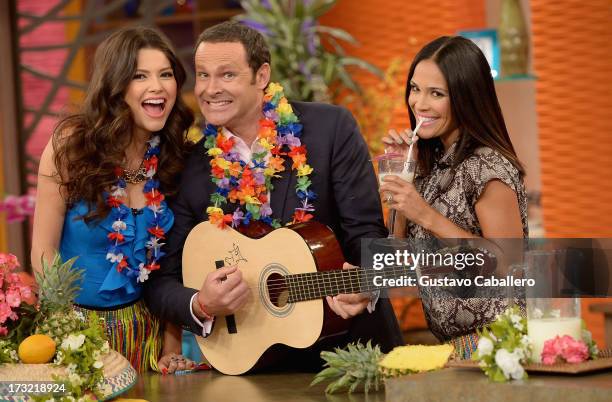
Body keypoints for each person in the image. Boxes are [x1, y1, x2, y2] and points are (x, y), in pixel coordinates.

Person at [144, 21, 403, 371]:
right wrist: (201, 303)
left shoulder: (331, 129)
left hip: (352, 352)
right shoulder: (190, 165)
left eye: (227, 75)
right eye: (203, 75)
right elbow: (162, 282)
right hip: (255, 368)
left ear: (261, 75)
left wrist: (365, 287)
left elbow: (368, 234)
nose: (210, 89)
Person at [31, 26, 195, 373]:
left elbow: (174, 265)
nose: (157, 86)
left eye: (166, 74)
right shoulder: (72, 146)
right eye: (140, 75)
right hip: (73, 335)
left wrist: (171, 346)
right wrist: (68, 337)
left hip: (146, 336)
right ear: (116, 86)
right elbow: (43, 251)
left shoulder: (173, 155)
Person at [380, 36, 529, 359]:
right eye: (415, 89)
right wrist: (405, 175)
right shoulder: (430, 163)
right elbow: (397, 257)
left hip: (497, 346)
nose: (419, 103)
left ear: (466, 97)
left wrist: (425, 214)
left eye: (436, 94)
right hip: (453, 349)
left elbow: (508, 262)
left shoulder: (488, 166)